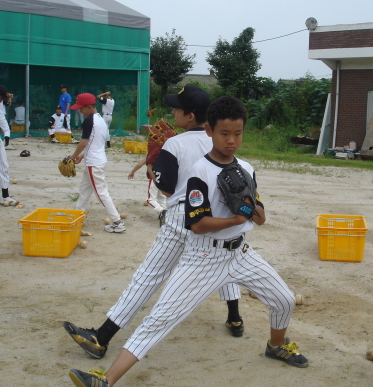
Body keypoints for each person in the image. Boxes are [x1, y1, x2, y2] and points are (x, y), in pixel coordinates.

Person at [67, 95, 308, 387]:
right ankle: (105, 380)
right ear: (209, 131)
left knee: (283, 299)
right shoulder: (200, 171)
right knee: (160, 318)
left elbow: (260, 216)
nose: (231, 140)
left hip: (241, 253)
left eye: (238, 133)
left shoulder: (245, 168)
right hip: (204, 257)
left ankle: (276, 346)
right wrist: (235, 218)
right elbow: (198, 225)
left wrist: (249, 208)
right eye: (224, 133)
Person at [62, 86, 245, 369]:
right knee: (226, 262)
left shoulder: (176, 142)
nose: (172, 112)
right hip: (218, 218)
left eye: (177, 109)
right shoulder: (222, 140)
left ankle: (102, 336)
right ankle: (234, 316)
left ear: (190, 115)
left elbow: (166, 186)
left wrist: (155, 165)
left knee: (149, 277)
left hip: (183, 218)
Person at [68, 93, 124, 233]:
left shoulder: (89, 121)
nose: (80, 111)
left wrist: (73, 156)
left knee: (101, 193)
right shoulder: (101, 120)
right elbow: (96, 143)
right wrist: (81, 156)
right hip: (95, 160)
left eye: (81, 108)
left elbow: (84, 142)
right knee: (84, 192)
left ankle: (117, 222)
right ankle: (77, 218)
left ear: (88, 107)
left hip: (94, 163)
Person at [127, 155, 167, 226]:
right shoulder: (165, 152)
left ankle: (162, 211)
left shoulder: (152, 153)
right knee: (162, 198)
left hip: (154, 178)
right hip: (163, 177)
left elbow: (140, 164)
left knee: (150, 200)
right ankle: (165, 216)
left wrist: (132, 171)